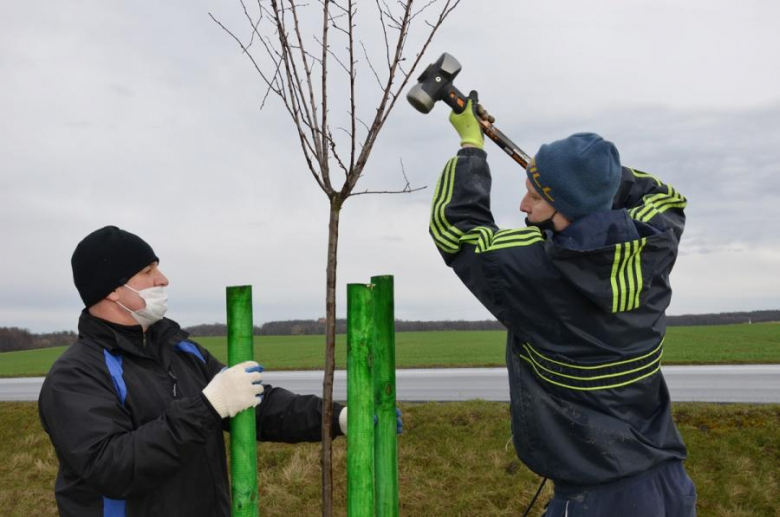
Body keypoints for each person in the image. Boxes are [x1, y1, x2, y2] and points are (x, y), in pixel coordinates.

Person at [429, 92, 696, 516]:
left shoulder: (537, 269)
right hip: (668, 485)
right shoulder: (655, 242)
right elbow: (663, 194)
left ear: (567, 210)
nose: (522, 205)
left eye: (535, 196)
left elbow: (455, 230)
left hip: (595, 500)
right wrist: (586, 176)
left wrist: (470, 147)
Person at [38, 226, 351, 517]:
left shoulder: (181, 351)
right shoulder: (74, 376)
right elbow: (112, 467)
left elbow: (256, 402)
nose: (163, 279)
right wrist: (207, 407)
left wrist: (336, 417)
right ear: (113, 290)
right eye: (148, 271)